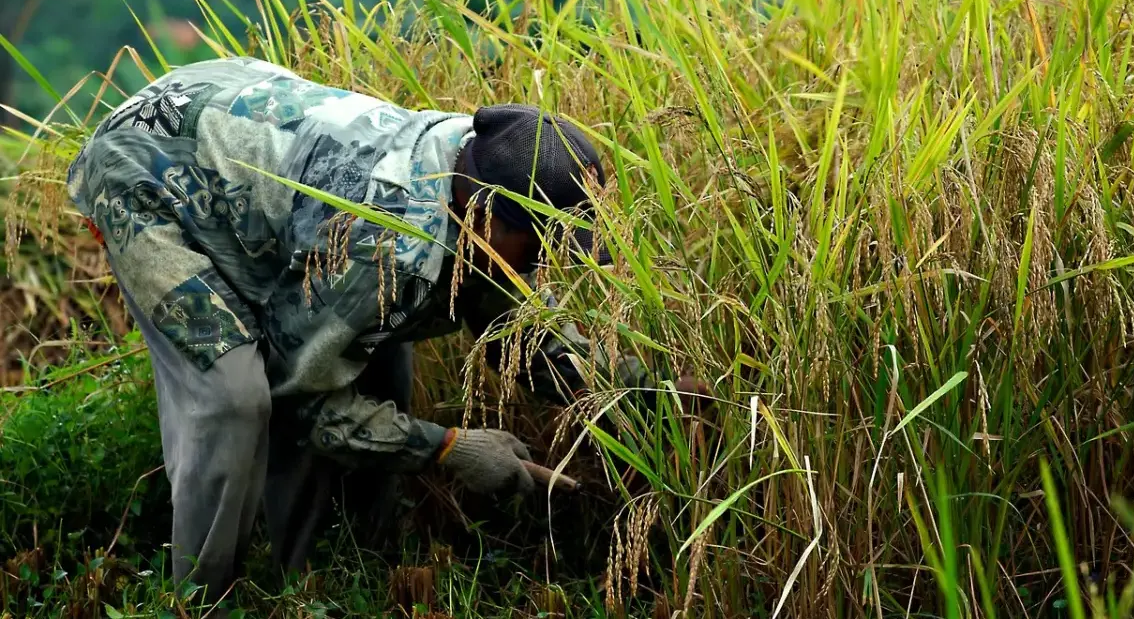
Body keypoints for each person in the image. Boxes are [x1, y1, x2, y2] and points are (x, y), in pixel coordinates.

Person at [64, 56, 680, 609]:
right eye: (543, 239)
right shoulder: (382, 242)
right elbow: (301, 400)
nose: (549, 257)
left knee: (379, 350)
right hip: (151, 166)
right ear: (487, 217)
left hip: (235, 123)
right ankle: (201, 597)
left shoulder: (482, 171)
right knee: (234, 398)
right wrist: (447, 447)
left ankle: (326, 575)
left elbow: (516, 327)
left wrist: (644, 394)